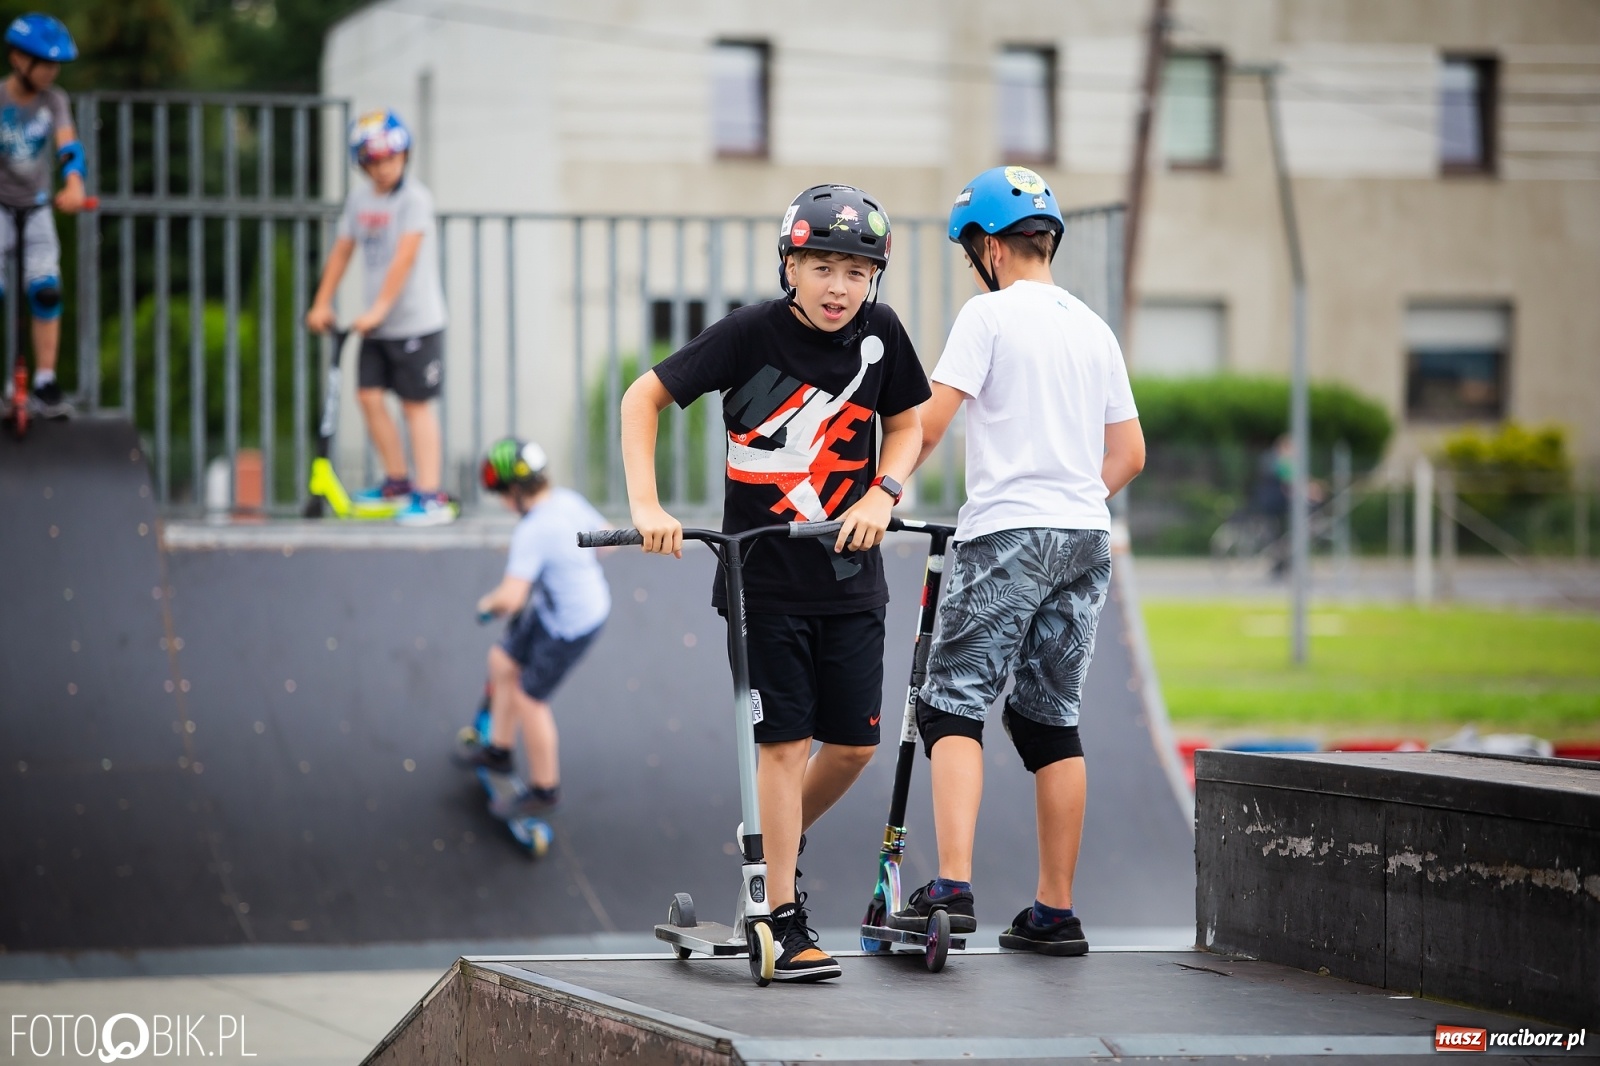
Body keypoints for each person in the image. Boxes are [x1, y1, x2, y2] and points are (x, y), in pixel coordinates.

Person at [619, 184, 928, 982]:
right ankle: (780, 912)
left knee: (855, 746)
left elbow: (908, 424)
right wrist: (647, 505)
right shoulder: (750, 334)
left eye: (856, 273)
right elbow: (643, 397)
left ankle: (773, 840)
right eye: (822, 265)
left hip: (852, 580)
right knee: (784, 745)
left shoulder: (882, 334)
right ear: (790, 264)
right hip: (764, 584)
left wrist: (884, 490)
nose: (838, 287)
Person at [887, 166, 1145, 957]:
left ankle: (954, 886)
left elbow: (929, 425)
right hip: (1084, 537)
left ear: (990, 248)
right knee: (1047, 719)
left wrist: (881, 491)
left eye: (974, 249)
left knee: (951, 702)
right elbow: (1129, 453)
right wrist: (1070, 500)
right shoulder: (1093, 328)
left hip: (1008, 535)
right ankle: (1053, 912)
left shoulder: (987, 316)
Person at [305, 108, 453, 526]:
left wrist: (379, 310)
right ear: (363, 164)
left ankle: (430, 494)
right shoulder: (360, 201)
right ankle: (397, 481)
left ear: (405, 155)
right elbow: (342, 250)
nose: (384, 168)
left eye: (392, 158)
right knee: (368, 397)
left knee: (415, 406)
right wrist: (321, 301)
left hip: (414, 322)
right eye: (375, 162)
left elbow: (404, 258)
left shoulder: (415, 200)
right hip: (375, 323)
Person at [457, 437, 611, 819]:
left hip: (574, 622)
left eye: (501, 496)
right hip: (555, 606)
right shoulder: (567, 500)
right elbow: (607, 540)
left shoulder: (533, 531)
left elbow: (510, 598)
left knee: (530, 698)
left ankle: (545, 789)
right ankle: (499, 751)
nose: (503, 505)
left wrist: (487, 604)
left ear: (515, 492)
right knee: (502, 661)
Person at [0, 13, 87, 418]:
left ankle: (45, 382)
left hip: (36, 207)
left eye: (56, 65)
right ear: (18, 58)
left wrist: (73, 185)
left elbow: (68, 148)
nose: (52, 72)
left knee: (46, 290)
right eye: (45, 63)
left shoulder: (54, 101)